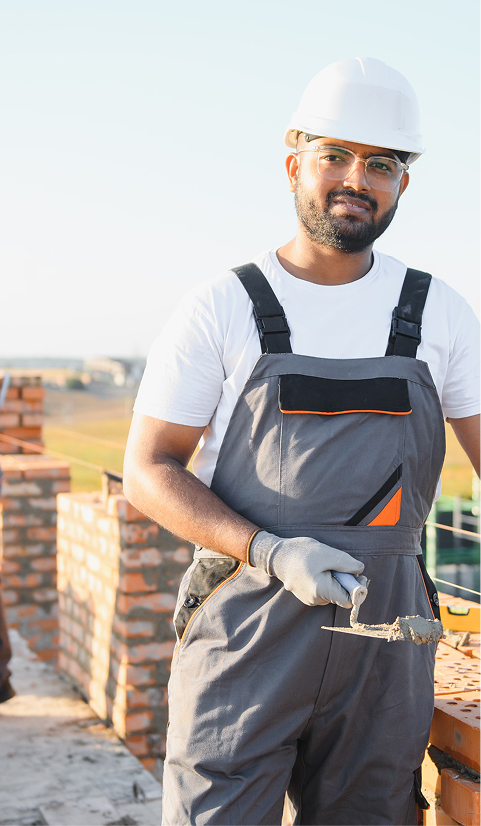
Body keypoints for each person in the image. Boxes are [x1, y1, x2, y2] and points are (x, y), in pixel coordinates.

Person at [123, 57, 480, 826]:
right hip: (246, 634)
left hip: (383, 648)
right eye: (335, 156)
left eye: (380, 163)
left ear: (401, 185)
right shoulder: (222, 307)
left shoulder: (438, 313)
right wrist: (269, 549)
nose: (357, 177)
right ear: (294, 165)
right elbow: (149, 470)